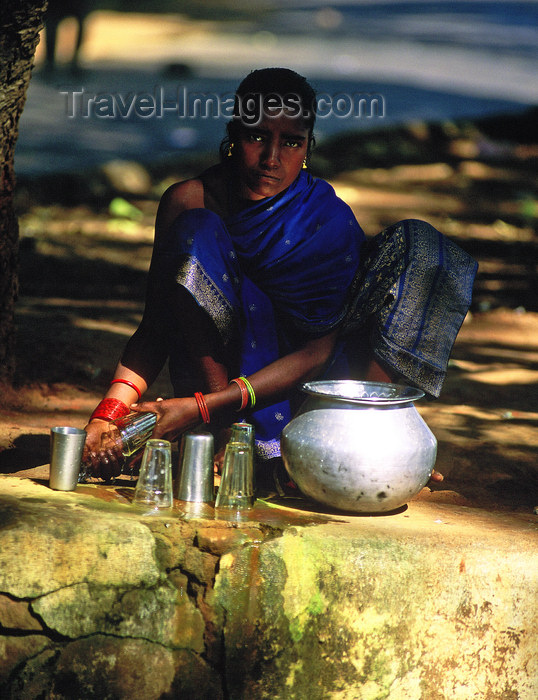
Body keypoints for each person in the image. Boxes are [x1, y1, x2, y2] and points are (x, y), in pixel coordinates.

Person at [83, 67, 477, 483]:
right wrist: (106, 416)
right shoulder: (188, 202)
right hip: (214, 383)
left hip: (306, 387)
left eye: (290, 143)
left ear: (307, 147)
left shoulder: (326, 220)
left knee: (425, 249)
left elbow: (317, 353)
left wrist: (199, 408)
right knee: (198, 231)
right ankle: (228, 436)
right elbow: (156, 326)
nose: (272, 159)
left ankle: (365, 429)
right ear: (234, 136)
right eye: (257, 136)